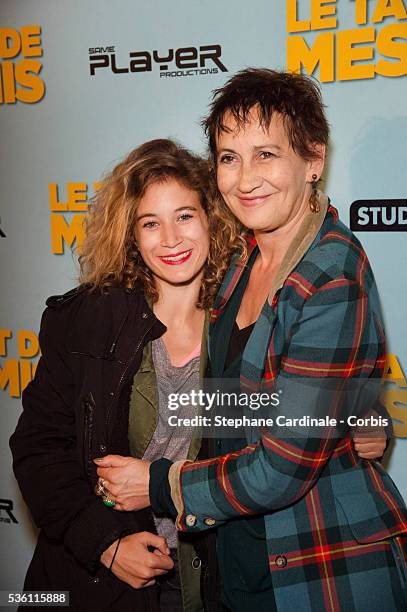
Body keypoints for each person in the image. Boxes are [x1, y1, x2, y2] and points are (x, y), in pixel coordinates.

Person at [97, 70, 407, 611]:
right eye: (228, 157)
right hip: (235, 555)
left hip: (314, 565)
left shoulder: (331, 272)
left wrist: (157, 483)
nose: (245, 179)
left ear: (312, 159)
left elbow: (281, 469)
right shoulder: (241, 258)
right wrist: (361, 410)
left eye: (266, 154)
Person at [9, 138, 244, 612]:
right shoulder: (86, 320)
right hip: (100, 582)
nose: (172, 239)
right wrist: (106, 545)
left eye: (184, 216)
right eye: (150, 223)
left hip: (211, 580)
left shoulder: (246, 318)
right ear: (131, 236)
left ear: (211, 218)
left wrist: (365, 424)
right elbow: (38, 449)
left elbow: (304, 406)